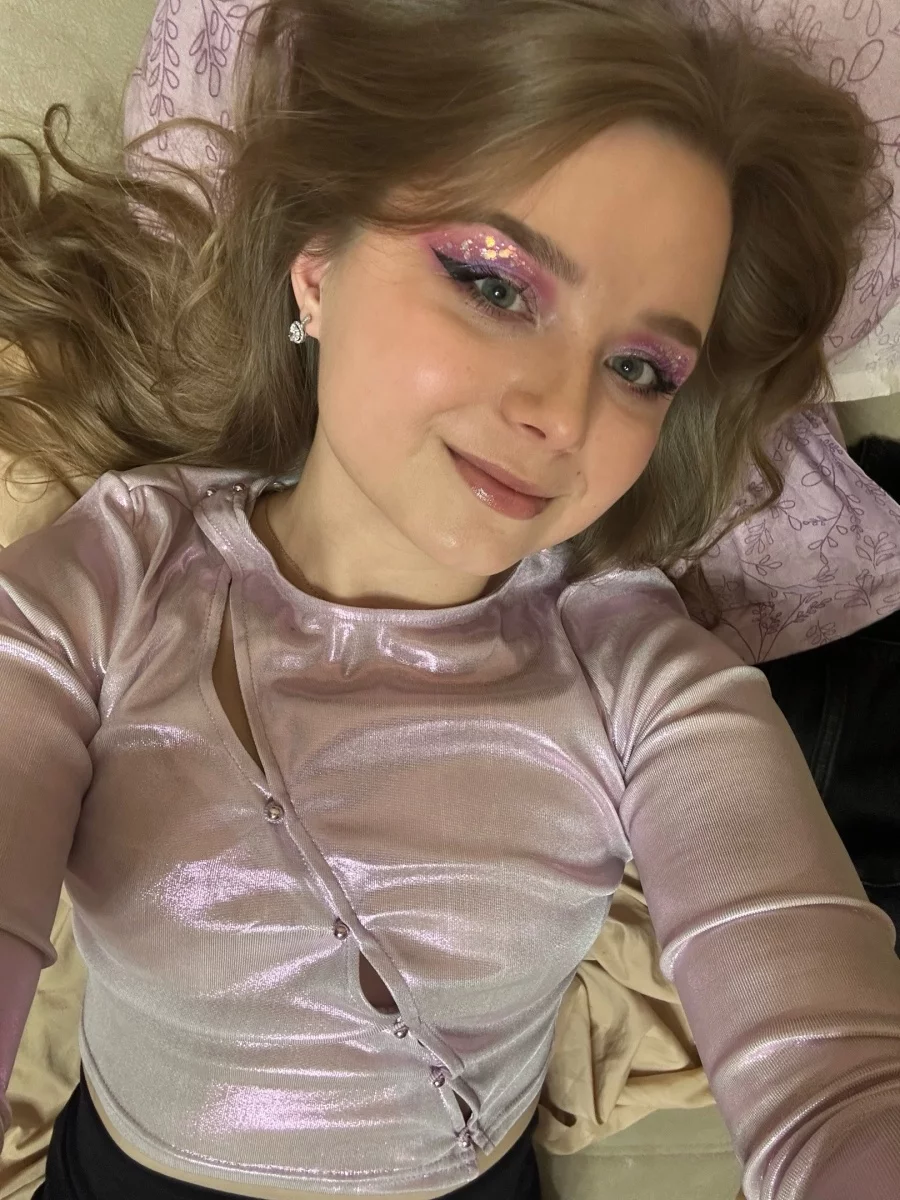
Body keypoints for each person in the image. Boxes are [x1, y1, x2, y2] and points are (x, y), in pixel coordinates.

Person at [1, 3, 899, 1200]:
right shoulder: (108, 580)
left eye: (640, 367)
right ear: (317, 270)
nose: (563, 413)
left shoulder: (639, 672)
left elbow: (836, 1086)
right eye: (494, 284)